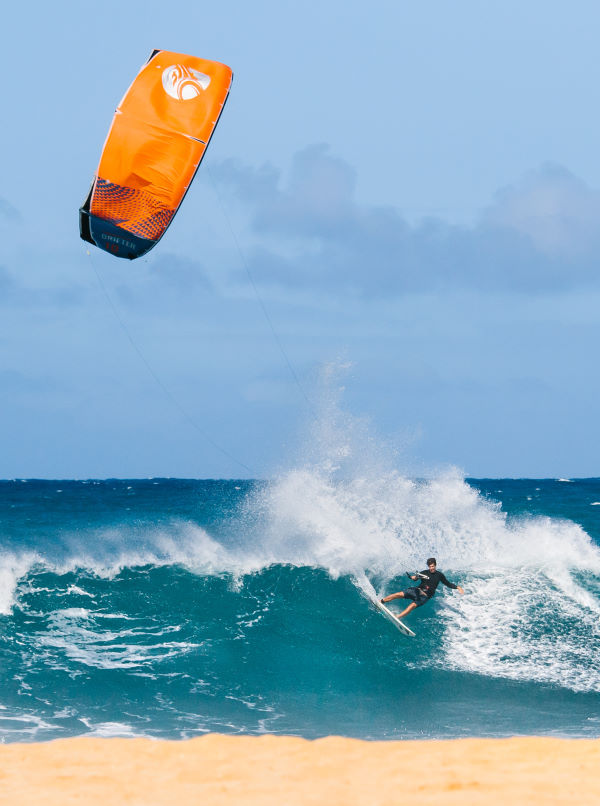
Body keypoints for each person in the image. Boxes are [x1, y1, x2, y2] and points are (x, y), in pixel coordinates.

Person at [381, 557, 464, 621]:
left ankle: (397, 617)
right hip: (416, 591)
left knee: (412, 605)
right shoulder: (424, 573)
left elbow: (447, 583)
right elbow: (416, 578)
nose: (431, 568)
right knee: (398, 594)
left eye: (433, 566)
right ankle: (382, 601)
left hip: (425, 596)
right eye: (430, 566)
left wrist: (457, 587)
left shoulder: (439, 575)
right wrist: (413, 577)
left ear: (435, 565)